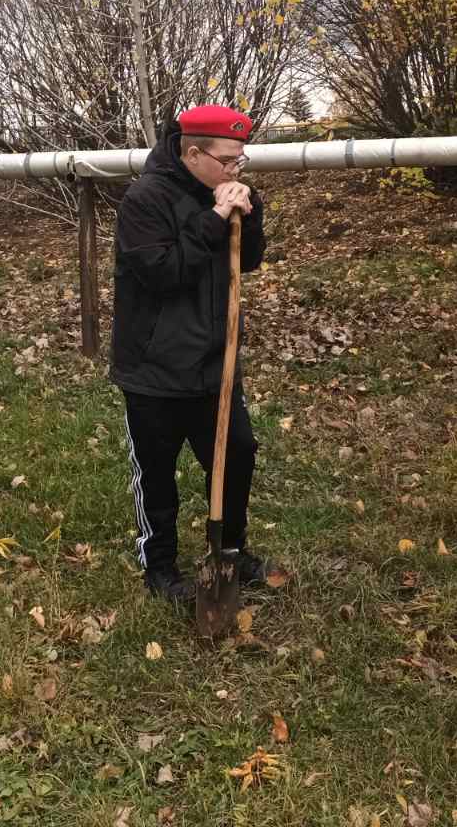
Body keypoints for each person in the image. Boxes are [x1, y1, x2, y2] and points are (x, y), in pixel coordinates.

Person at [110, 105, 277, 603]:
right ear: (194, 153)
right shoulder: (144, 199)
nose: (235, 170)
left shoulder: (224, 193)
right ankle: (159, 564)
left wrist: (249, 214)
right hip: (154, 368)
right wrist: (215, 217)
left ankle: (229, 550)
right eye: (228, 161)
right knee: (156, 471)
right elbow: (162, 270)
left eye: (241, 162)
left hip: (214, 363)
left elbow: (246, 262)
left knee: (237, 455)